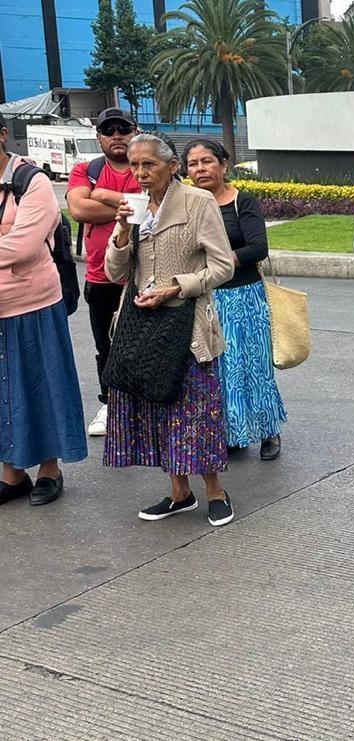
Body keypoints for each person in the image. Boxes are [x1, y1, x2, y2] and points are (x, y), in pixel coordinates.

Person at [103, 133, 237, 527]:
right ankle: (179, 493)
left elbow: (223, 266)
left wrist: (177, 286)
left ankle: (216, 490)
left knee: (195, 412)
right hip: (142, 325)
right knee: (156, 409)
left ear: (172, 166)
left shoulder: (198, 202)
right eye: (135, 165)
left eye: (150, 165)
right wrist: (123, 231)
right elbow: (115, 272)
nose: (141, 173)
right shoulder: (134, 207)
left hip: (187, 324)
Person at [0, 113, 87, 507]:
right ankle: (11, 474)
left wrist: (11, 242)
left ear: (3, 135)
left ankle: (49, 470)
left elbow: (23, 246)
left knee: (41, 385)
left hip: (32, 303)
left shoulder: (30, 181)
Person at [184, 138, 286, 461]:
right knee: (220, 370)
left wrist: (221, 261)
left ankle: (269, 431)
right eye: (193, 164)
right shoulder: (188, 205)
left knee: (254, 366)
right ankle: (233, 433)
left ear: (223, 165)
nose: (200, 169)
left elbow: (258, 248)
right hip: (207, 299)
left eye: (206, 161)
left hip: (244, 297)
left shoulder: (243, 202)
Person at [66, 107, 141, 437]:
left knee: (145, 344)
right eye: (108, 130)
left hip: (144, 275)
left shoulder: (146, 167)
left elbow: (151, 207)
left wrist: (105, 197)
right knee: (106, 346)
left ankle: (146, 405)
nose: (116, 135)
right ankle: (111, 403)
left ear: (134, 132)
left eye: (122, 129)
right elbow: (80, 208)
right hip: (100, 277)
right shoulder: (87, 170)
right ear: (99, 137)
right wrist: (131, 203)